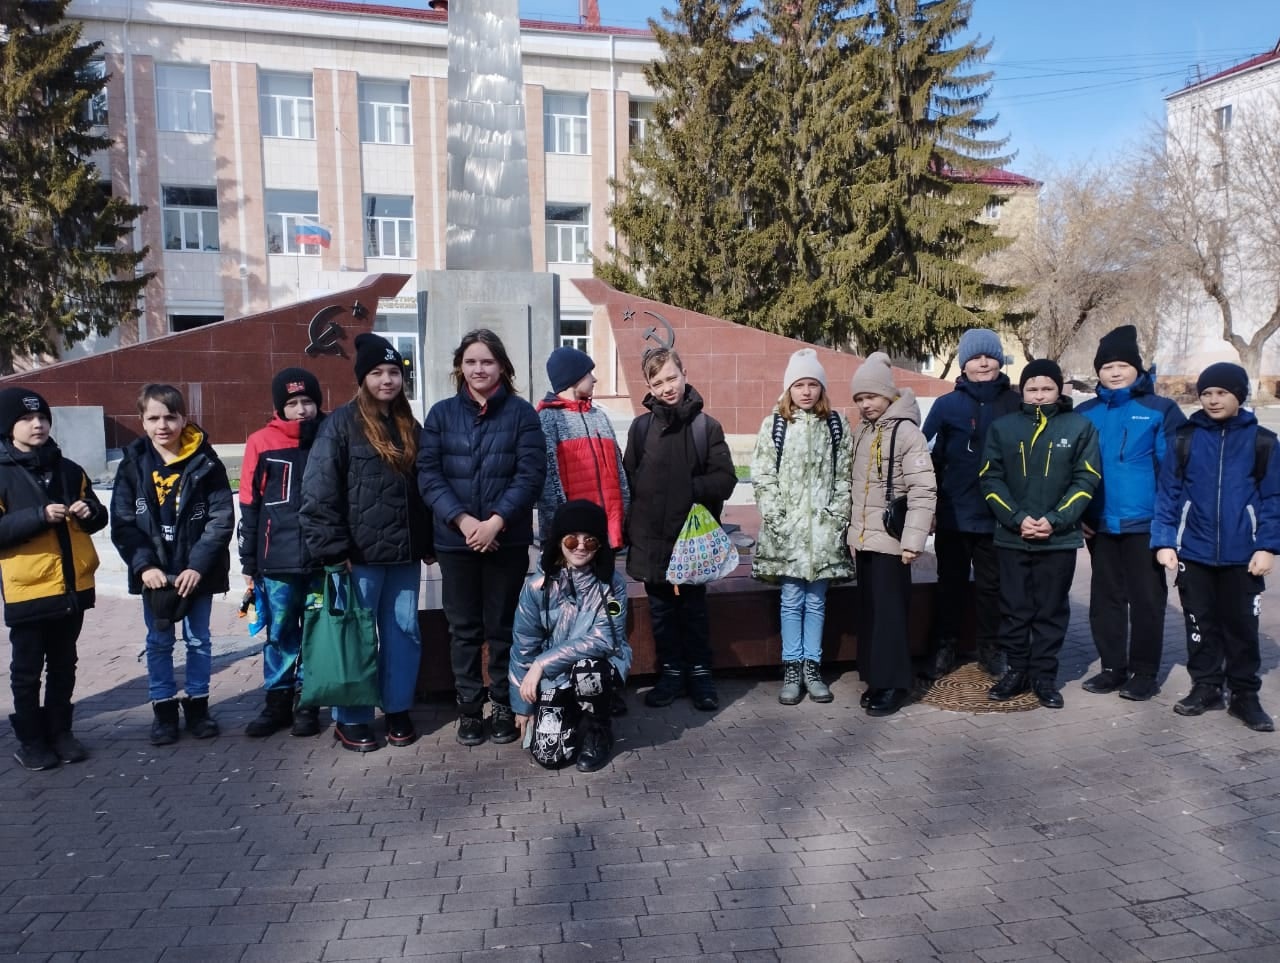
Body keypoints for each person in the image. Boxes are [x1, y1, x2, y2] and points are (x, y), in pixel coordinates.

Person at [300, 334, 433, 753]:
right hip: (357, 559)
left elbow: (426, 488)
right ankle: (352, 716)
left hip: (404, 558)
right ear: (362, 379)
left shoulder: (412, 426)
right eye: (377, 372)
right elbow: (318, 493)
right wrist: (334, 551)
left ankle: (396, 708)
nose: (387, 380)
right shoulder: (340, 425)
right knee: (355, 636)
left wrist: (428, 541)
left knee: (404, 632)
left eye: (394, 372)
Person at [417, 328, 546, 747]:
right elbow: (429, 475)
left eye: (486, 361)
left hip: (504, 542)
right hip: (456, 543)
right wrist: (464, 522)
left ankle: (504, 705)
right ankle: (470, 710)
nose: (478, 369)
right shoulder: (440, 415)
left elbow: (529, 475)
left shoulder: (522, 414)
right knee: (464, 629)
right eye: (471, 362)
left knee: (504, 627)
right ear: (460, 367)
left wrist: (495, 522)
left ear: (502, 367)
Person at [1152, 362, 1277, 732]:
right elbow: (1168, 495)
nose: (1213, 400)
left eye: (1221, 393)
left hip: (1245, 554)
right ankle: (1205, 686)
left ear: (1239, 395)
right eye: (1206, 393)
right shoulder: (1185, 439)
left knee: (1241, 626)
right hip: (1194, 550)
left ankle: (1244, 695)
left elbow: (1274, 498)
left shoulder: (1263, 442)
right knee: (1199, 623)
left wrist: (1268, 546)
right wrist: (1164, 541)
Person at [111, 383, 234, 745]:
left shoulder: (206, 462)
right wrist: (144, 566)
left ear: (184, 419)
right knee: (159, 642)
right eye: (153, 418)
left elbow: (221, 517)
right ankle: (163, 710)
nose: (162, 425)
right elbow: (123, 522)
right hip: (155, 575)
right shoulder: (133, 466)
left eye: (170, 416)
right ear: (141, 421)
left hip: (198, 572)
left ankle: (198, 705)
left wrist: (197, 566)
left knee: (199, 641)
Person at [980, 360, 1101, 709]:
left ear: (1059, 390)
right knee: (1015, 609)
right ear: (1023, 391)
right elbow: (990, 477)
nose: (1039, 395)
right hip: (1012, 536)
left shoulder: (1080, 427)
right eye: (1032, 389)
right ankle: (1016, 671)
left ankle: (1045, 676)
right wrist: (1017, 518)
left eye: (1046, 388)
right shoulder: (1004, 428)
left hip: (1058, 539)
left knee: (1050, 610)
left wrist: (1056, 519)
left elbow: (1086, 477)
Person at [0, 388, 108, 771]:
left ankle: (61, 731)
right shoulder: (2, 473)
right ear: (8, 426)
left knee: (64, 663)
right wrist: (38, 517)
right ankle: (31, 740)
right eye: (27, 419)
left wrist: (90, 510)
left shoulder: (69, 468)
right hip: (27, 589)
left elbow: (98, 517)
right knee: (27, 670)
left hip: (72, 586)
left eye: (43, 418)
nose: (37, 424)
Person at [623, 347, 737, 712]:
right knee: (660, 612)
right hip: (652, 541)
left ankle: (701, 675)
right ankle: (670, 674)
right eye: (657, 382)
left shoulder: (706, 427)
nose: (666, 387)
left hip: (692, 541)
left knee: (693, 610)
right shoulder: (641, 429)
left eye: (671, 377)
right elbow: (630, 480)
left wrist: (690, 490)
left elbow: (725, 480)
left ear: (684, 374)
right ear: (649, 387)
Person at [1076, 326, 1185, 701]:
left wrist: (1164, 524)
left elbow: (1173, 472)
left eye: (1123, 364)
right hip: (1099, 524)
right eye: (1107, 366)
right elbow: (1072, 470)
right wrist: (1080, 515)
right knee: (1105, 599)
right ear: (1099, 372)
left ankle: (1144, 672)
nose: (1115, 372)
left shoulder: (1160, 410)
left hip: (1145, 523)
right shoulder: (1085, 412)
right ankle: (1112, 668)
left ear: (1137, 369)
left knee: (1146, 601)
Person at [749, 349, 853, 705]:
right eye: (799, 385)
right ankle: (792, 666)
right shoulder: (775, 425)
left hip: (823, 533)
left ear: (821, 389)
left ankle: (813, 666)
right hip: (787, 534)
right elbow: (762, 475)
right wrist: (777, 517)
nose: (806, 391)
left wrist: (837, 517)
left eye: (813, 384)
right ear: (789, 389)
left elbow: (844, 477)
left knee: (817, 601)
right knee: (792, 599)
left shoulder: (835, 425)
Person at [921, 328, 1021, 679]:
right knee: (950, 583)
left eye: (989, 356)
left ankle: (991, 647)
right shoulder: (947, 405)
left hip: (998, 517)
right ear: (964, 365)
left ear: (999, 360)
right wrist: (929, 507)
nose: (982, 363)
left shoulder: (1015, 403)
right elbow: (926, 457)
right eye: (975, 358)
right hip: (954, 514)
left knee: (992, 588)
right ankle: (945, 645)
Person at [510, 500, 631, 772]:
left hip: (598, 665)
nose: (580, 547)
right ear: (558, 541)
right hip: (555, 675)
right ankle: (573, 713)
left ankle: (599, 729)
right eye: (571, 539)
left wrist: (542, 663)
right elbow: (523, 644)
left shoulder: (612, 585)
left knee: (589, 671)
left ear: (599, 545)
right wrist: (522, 706)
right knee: (549, 756)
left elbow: (605, 639)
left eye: (590, 541)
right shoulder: (537, 586)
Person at [238, 368, 327, 738]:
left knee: (316, 631)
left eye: (308, 401)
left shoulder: (329, 434)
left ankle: (308, 702)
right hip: (277, 560)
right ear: (279, 407)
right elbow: (249, 504)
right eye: (292, 403)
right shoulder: (260, 442)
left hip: (323, 558)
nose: (301, 409)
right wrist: (248, 562)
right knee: (280, 631)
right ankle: (277, 700)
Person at [847, 352, 936, 717]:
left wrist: (913, 542)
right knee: (871, 612)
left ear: (888, 395)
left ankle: (896, 683)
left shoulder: (906, 431)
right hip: (866, 540)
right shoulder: (865, 430)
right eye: (860, 398)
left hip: (892, 541)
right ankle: (876, 678)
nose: (866, 404)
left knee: (890, 616)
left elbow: (922, 490)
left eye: (871, 396)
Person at [536, 346, 629, 550]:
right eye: (589, 373)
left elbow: (618, 471)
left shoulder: (600, 416)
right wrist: (561, 528)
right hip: (571, 538)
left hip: (607, 531)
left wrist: (623, 516)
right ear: (573, 377)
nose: (594, 379)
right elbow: (550, 482)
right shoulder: (549, 419)